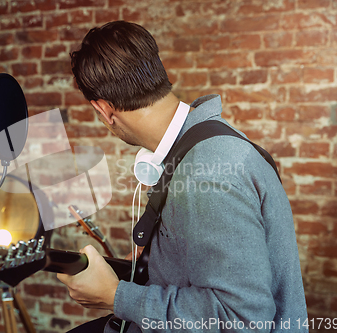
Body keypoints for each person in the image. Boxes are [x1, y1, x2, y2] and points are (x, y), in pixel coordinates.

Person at [57, 20, 307, 332]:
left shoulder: (208, 174)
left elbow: (241, 319)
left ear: (105, 110)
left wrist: (116, 297)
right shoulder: (204, 143)